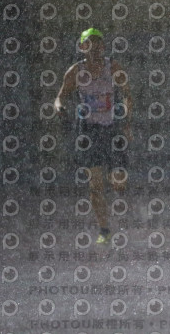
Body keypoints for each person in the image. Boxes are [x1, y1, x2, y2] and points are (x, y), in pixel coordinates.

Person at [55, 28, 133, 245]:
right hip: (89, 131)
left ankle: (118, 194)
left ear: (103, 46)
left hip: (112, 128)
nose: (95, 47)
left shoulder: (113, 67)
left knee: (119, 182)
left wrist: (127, 123)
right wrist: (59, 107)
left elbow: (127, 94)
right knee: (96, 185)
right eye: (90, 43)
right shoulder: (76, 71)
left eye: (98, 43)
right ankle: (104, 229)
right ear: (82, 47)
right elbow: (60, 96)